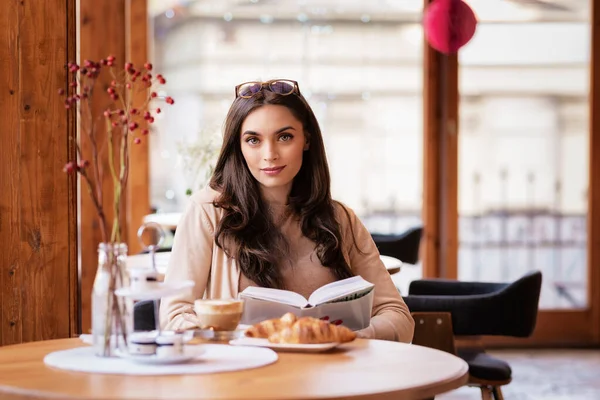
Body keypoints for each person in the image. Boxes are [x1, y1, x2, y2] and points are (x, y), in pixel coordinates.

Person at [159, 79, 414, 342]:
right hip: (244, 378)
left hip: (333, 378)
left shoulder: (340, 219)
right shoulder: (208, 212)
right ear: (239, 146)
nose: (270, 154)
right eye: (253, 140)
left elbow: (397, 315)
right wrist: (239, 339)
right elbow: (174, 316)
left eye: (284, 137)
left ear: (306, 140)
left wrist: (349, 337)